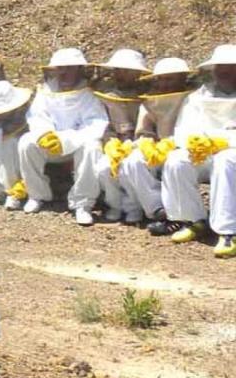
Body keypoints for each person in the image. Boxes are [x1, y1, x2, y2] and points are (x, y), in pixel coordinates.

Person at [159, 45, 236, 257]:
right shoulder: (197, 97)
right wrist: (195, 142)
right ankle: (193, 219)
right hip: (207, 152)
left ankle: (228, 231)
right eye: (221, 66)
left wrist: (224, 141)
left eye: (230, 67)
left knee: (226, 160)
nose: (225, 71)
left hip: (232, 154)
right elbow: (184, 129)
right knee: (177, 159)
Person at [17, 48, 109, 226]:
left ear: (79, 69)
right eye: (61, 68)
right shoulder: (45, 91)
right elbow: (37, 117)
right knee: (26, 142)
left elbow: (95, 124)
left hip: (78, 144)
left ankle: (83, 203)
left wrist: (66, 140)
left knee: (92, 147)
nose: (65, 73)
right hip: (50, 144)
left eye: (70, 68)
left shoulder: (88, 94)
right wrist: (46, 134)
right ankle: (37, 195)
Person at [118, 57, 195, 231]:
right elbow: (144, 129)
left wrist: (174, 143)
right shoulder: (151, 100)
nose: (164, 83)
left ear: (182, 78)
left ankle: (181, 216)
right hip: (159, 147)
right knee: (133, 161)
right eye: (161, 79)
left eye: (170, 79)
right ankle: (159, 210)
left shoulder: (194, 98)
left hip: (188, 148)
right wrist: (147, 142)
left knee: (176, 163)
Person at [92, 49, 150, 223]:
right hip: (114, 142)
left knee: (130, 166)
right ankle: (115, 205)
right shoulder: (105, 94)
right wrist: (109, 140)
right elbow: (100, 121)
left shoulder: (147, 95)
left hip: (141, 142)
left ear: (137, 73)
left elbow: (152, 123)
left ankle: (134, 207)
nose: (120, 74)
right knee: (103, 168)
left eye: (126, 71)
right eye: (118, 69)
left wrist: (141, 141)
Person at [0, 48, 33, 210]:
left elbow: (17, 118)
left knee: (9, 145)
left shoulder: (1, 87)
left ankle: (12, 191)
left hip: (11, 135)